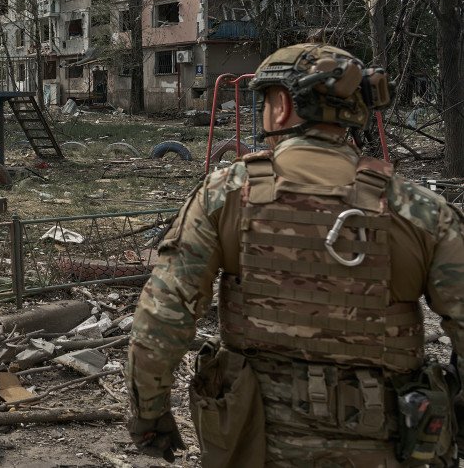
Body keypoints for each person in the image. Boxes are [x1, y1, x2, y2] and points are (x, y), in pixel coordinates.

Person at [127, 43, 464, 466]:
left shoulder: (226, 194)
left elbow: (162, 317)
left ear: (282, 106)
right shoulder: (421, 211)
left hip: (255, 443)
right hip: (389, 445)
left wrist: (149, 413)